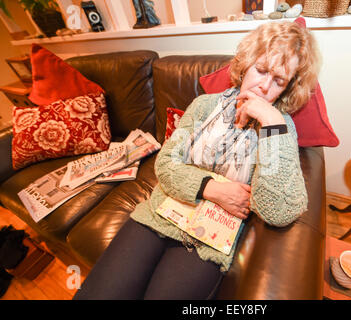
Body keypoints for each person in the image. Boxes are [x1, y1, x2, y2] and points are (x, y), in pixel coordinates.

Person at [74, 20, 320, 300]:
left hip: (207, 239)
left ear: (288, 88)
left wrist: (272, 123)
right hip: (159, 214)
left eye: (279, 80)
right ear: (247, 64)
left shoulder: (279, 127)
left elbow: (279, 211)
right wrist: (213, 189)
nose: (264, 86)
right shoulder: (205, 105)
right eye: (261, 70)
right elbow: (166, 163)